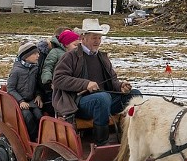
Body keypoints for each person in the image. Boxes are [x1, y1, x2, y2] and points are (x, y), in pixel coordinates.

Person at [52, 18, 141, 146]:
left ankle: (131, 137)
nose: (97, 41)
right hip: (78, 103)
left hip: (104, 102)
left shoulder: (102, 57)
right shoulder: (70, 56)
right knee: (102, 98)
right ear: (83, 38)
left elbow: (112, 80)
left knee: (135, 95)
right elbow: (58, 79)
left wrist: (120, 86)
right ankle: (101, 143)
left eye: (99, 38)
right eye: (94, 38)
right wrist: (85, 84)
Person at [7, 41, 44, 141]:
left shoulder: (34, 69)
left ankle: (41, 137)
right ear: (26, 56)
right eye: (35, 54)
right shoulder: (16, 71)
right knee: (28, 117)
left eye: (38, 53)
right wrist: (20, 101)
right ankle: (32, 139)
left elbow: (36, 85)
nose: (38, 55)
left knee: (39, 115)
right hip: (20, 102)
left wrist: (38, 95)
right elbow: (10, 88)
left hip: (32, 101)